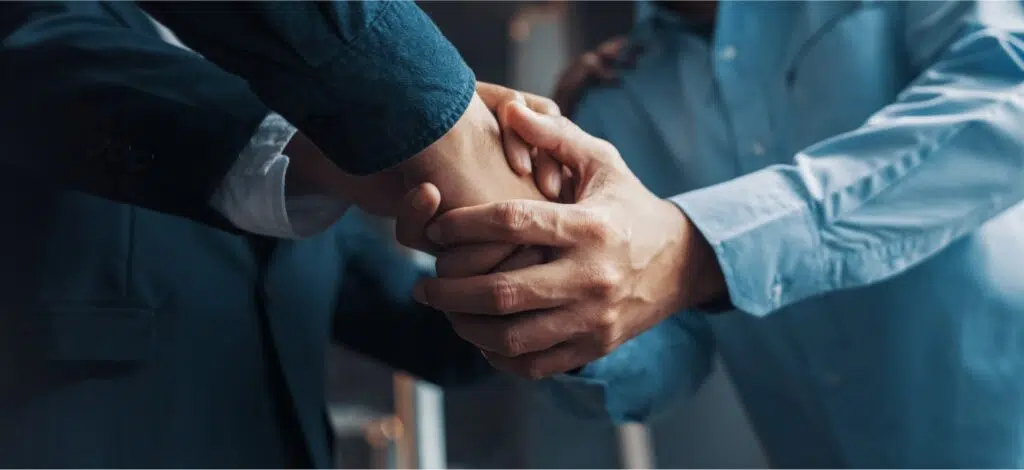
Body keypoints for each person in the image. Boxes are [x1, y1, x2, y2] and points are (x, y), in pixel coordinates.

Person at [398, 1, 1024, 467]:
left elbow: (1008, 103)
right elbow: (668, 359)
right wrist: (561, 299)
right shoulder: (613, 101)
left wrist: (699, 247)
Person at [0, 1, 559, 467]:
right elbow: (45, 66)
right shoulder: (54, 30)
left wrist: (557, 250)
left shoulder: (310, 124)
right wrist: (362, 149)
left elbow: (439, 342)